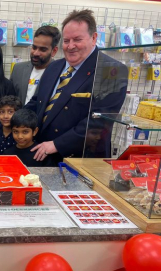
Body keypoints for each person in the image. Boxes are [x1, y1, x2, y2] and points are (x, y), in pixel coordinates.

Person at [25, 9, 128, 166]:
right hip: (43, 153)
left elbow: (99, 123)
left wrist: (56, 145)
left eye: (77, 39)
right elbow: (36, 103)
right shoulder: (54, 67)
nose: (70, 46)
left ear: (94, 38)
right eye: (66, 41)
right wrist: (10, 122)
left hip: (81, 160)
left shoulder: (111, 71)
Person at [10, 26, 60, 105]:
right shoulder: (18, 69)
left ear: (54, 51)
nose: (36, 53)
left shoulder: (59, 74)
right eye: (34, 47)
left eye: (42, 49)